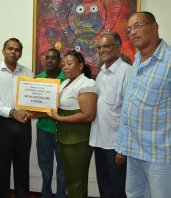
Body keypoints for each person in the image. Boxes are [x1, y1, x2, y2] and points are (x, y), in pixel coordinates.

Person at [115, 11, 171, 198]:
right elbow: (130, 109)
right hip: (134, 151)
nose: (133, 32)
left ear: (154, 26)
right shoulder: (136, 63)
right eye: (129, 29)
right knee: (134, 195)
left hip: (161, 154)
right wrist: (123, 147)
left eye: (138, 26)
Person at [0, 38, 34, 198]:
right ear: (3, 50)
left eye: (17, 49)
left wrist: (33, 110)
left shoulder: (28, 72)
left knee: (22, 167)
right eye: (10, 48)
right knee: (1, 167)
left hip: (24, 125)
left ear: (20, 53)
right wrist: (12, 112)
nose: (13, 52)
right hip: (1, 125)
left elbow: (32, 98)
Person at [48, 50, 98, 198]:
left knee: (77, 181)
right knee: (70, 180)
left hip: (78, 140)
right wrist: (32, 113)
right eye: (63, 65)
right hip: (64, 138)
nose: (65, 67)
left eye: (69, 64)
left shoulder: (87, 83)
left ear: (81, 65)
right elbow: (55, 108)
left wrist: (59, 119)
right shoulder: (65, 83)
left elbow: (88, 115)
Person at [89, 32, 131, 198]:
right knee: (105, 189)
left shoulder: (127, 72)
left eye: (106, 46)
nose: (101, 50)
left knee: (119, 189)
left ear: (119, 48)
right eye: (99, 47)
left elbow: (129, 112)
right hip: (99, 141)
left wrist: (124, 148)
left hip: (116, 145)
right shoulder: (101, 74)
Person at [35, 48, 67, 198]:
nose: (49, 61)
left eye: (53, 58)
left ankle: (61, 195)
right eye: (47, 58)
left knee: (62, 168)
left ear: (59, 61)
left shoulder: (67, 79)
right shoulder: (37, 79)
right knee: (45, 167)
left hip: (63, 130)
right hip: (44, 130)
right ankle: (45, 194)